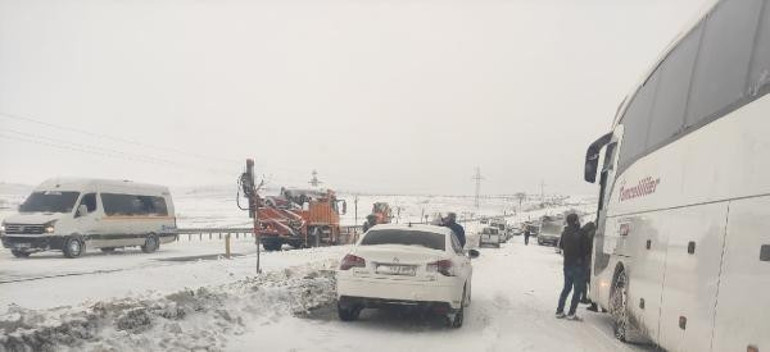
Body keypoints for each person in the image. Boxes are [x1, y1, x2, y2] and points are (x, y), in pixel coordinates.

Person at [555, 213, 591, 320]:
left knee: (566, 288)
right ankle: (571, 313)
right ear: (576, 221)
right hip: (578, 266)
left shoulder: (565, 232)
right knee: (577, 290)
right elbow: (587, 249)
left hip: (567, 264)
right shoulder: (581, 233)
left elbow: (561, 246)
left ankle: (559, 311)